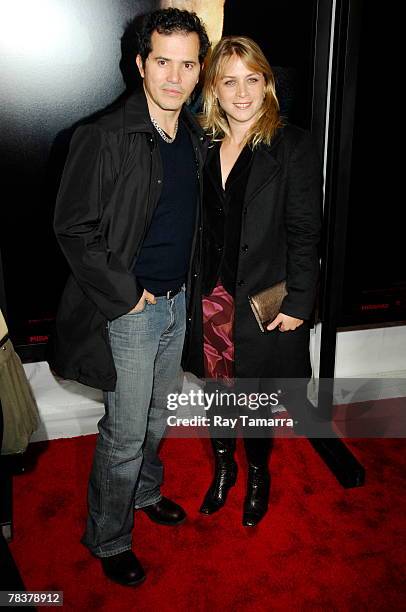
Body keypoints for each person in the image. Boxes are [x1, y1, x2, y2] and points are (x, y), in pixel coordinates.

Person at [52, 8, 210, 586]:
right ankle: (109, 537)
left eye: (187, 63)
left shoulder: (192, 135)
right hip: (131, 313)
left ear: (199, 71)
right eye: (162, 61)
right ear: (140, 64)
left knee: (156, 418)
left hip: (176, 303)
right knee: (124, 432)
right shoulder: (103, 136)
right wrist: (130, 296)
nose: (174, 76)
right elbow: (73, 228)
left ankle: (145, 495)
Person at [184, 36, 322, 527]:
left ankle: (258, 472)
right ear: (214, 90)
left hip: (264, 300)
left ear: (267, 85)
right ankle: (224, 468)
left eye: (252, 79)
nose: (242, 93)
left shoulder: (294, 145)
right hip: (209, 300)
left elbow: (306, 231)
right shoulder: (199, 142)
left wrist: (301, 301)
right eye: (229, 81)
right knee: (219, 393)